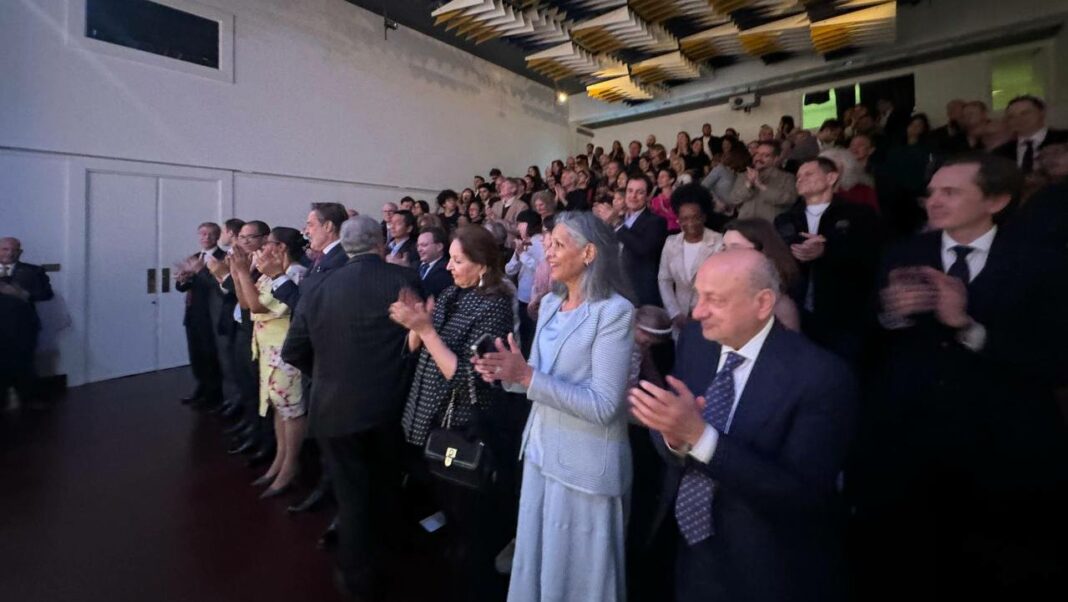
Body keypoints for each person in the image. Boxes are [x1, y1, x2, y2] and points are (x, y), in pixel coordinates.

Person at [856, 153, 1068, 600]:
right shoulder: (903, 252)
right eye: (931, 192)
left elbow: (1053, 359)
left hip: (1002, 449)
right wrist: (891, 314)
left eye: (950, 192)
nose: (934, 201)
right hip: (913, 445)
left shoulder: (1040, 261)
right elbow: (871, 334)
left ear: (996, 199)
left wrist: (967, 327)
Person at [629, 249, 857, 602]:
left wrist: (700, 437)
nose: (697, 310)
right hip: (689, 555)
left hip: (767, 567)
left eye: (714, 300)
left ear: (763, 303)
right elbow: (673, 429)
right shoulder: (695, 342)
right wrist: (674, 437)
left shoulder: (821, 377)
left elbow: (803, 496)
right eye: (698, 294)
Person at [473, 211, 635, 602]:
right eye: (550, 245)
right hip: (542, 454)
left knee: (578, 579)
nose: (550, 253)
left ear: (590, 252)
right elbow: (537, 382)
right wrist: (506, 374)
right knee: (538, 566)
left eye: (559, 245)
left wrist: (527, 377)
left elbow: (605, 405)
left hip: (584, 467)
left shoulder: (614, 312)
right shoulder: (549, 306)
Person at [282, 216, 420, 600]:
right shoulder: (402, 281)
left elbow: (294, 350)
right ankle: (391, 559)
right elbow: (420, 342)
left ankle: (357, 576)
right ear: (381, 243)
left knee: (352, 495)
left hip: (333, 409)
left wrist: (328, 375)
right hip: (390, 406)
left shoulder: (318, 285)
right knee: (387, 486)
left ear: (344, 245)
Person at [393, 225, 516, 602]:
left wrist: (426, 331)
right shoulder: (449, 294)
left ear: (482, 267)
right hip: (425, 413)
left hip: (461, 423)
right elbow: (416, 349)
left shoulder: (494, 308)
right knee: (441, 499)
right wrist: (414, 326)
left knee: (469, 516)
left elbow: (468, 377)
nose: (449, 266)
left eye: (458, 261)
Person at [774, 158, 881, 360]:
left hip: (845, 312)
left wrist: (826, 252)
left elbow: (871, 256)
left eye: (808, 174)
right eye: (798, 176)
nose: (800, 179)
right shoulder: (785, 219)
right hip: (798, 311)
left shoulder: (860, 215)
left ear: (831, 177)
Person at [230, 227, 308, 498]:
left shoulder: (295, 274)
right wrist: (238, 271)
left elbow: (258, 308)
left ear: (282, 248)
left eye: (269, 244)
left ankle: (290, 465)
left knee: (291, 409)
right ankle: (280, 459)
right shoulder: (268, 274)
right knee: (277, 406)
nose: (262, 248)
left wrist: (241, 272)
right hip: (267, 349)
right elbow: (244, 301)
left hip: (286, 352)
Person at [658, 184, 724, 329]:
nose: (690, 223)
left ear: (704, 217)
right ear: (678, 220)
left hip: (709, 319)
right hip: (679, 321)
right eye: (684, 219)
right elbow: (664, 279)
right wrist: (674, 313)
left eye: (695, 218)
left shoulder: (719, 243)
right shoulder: (671, 243)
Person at [175, 223, 225, 409]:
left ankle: (214, 393)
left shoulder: (224, 258)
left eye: (210, 234)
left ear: (217, 236)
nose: (206, 237)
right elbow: (183, 288)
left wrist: (200, 271)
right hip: (193, 313)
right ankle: (201, 388)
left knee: (210, 355)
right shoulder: (194, 258)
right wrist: (182, 279)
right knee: (195, 354)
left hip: (212, 314)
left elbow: (220, 286)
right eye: (202, 233)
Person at [0, 237, 54, 406]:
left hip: (22, 327)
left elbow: (47, 294)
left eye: (14, 250)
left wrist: (22, 294)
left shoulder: (33, 271)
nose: (9, 253)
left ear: (20, 252)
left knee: (24, 364)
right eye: (4, 249)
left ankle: (29, 402)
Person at [720, 219, 802, 332]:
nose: (725, 255)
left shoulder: (779, 306)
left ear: (762, 252)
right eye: (724, 248)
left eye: (736, 248)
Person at [617, 174, 668, 307]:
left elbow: (643, 249)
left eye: (640, 192)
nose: (633, 196)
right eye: (630, 191)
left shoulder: (656, 222)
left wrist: (616, 223)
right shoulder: (620, 219)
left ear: (648, 196)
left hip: (641, 295)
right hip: (617, 292)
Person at [992, 95, 1068, 174]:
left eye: (1025, 113)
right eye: (1011, 116)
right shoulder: (1000, 153)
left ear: (1042, 113)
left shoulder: (1064, 139)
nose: (1018, 119)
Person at [505, 210, 545, 358]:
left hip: (535, 298)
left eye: (520, 223)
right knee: (523, 333)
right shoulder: (523, 243)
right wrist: (517, 253)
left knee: (532, 335)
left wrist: (523, 254)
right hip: (522, 296)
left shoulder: (541, 242)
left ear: (528, 224)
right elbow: (509, 270)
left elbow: (542, 269)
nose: (518, 227)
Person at [727, 140, 797, 222]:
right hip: (744, 227)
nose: (758, 158)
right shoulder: (743, 176)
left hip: (770, 229)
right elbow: (733, 200)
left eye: (765, 155)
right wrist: (748, 184)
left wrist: (760, 185)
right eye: (757, 154)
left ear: (775, 159)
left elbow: (789, 200)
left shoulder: (787, 178)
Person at [416, 227, 453, 299]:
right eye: (418, 245)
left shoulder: (446, 270)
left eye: (424, 245)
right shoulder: (414, 265)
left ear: (439, 247)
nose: (419, 249)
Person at [649, 167, 680, 233]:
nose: (659, 179)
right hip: (661, 231)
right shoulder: (655, 200)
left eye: (662, 177)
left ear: (671, 180)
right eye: (658, 177)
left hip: (677, 229)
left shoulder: (678, 197)